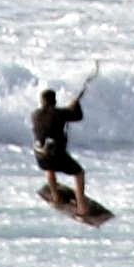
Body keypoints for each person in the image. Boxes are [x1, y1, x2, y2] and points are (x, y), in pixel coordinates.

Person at [30, 82, 92, 210]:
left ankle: (56, 196)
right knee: (79, 173)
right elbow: (78, 116)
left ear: (41, 102)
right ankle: (82, 206)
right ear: (55, 101)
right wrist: (76, 104)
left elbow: (51, 118)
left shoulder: (35, 114)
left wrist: (68, 109)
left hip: (40, 158)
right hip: (56, 156)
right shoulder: (59, 113)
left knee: (49, 168)